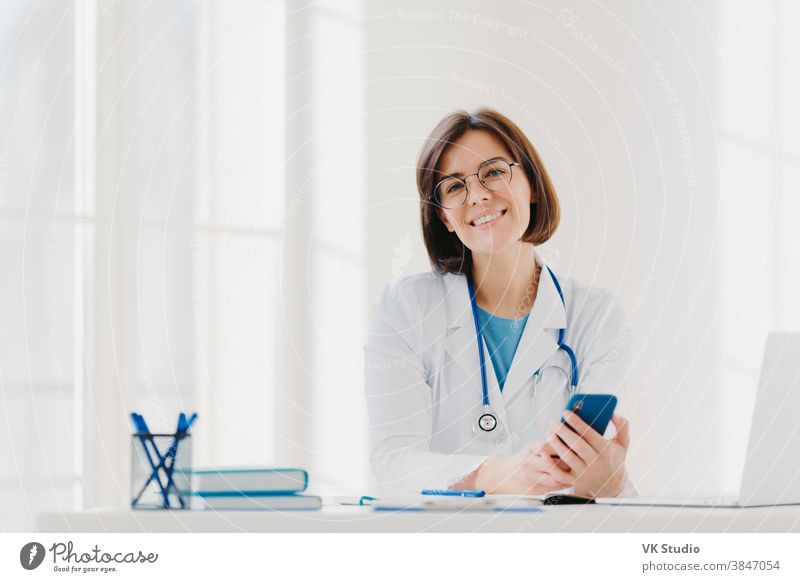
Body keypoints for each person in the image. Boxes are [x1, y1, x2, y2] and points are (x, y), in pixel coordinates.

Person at [364, 108, 634, 498]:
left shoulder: (597, 316)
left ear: (533, 185)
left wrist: (613, 484)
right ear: (444, 219)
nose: (477, 195)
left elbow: (600, 475)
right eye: (454, 187)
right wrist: (493, 475)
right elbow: (393, 464)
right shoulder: (405, 309)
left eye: (493, 171)